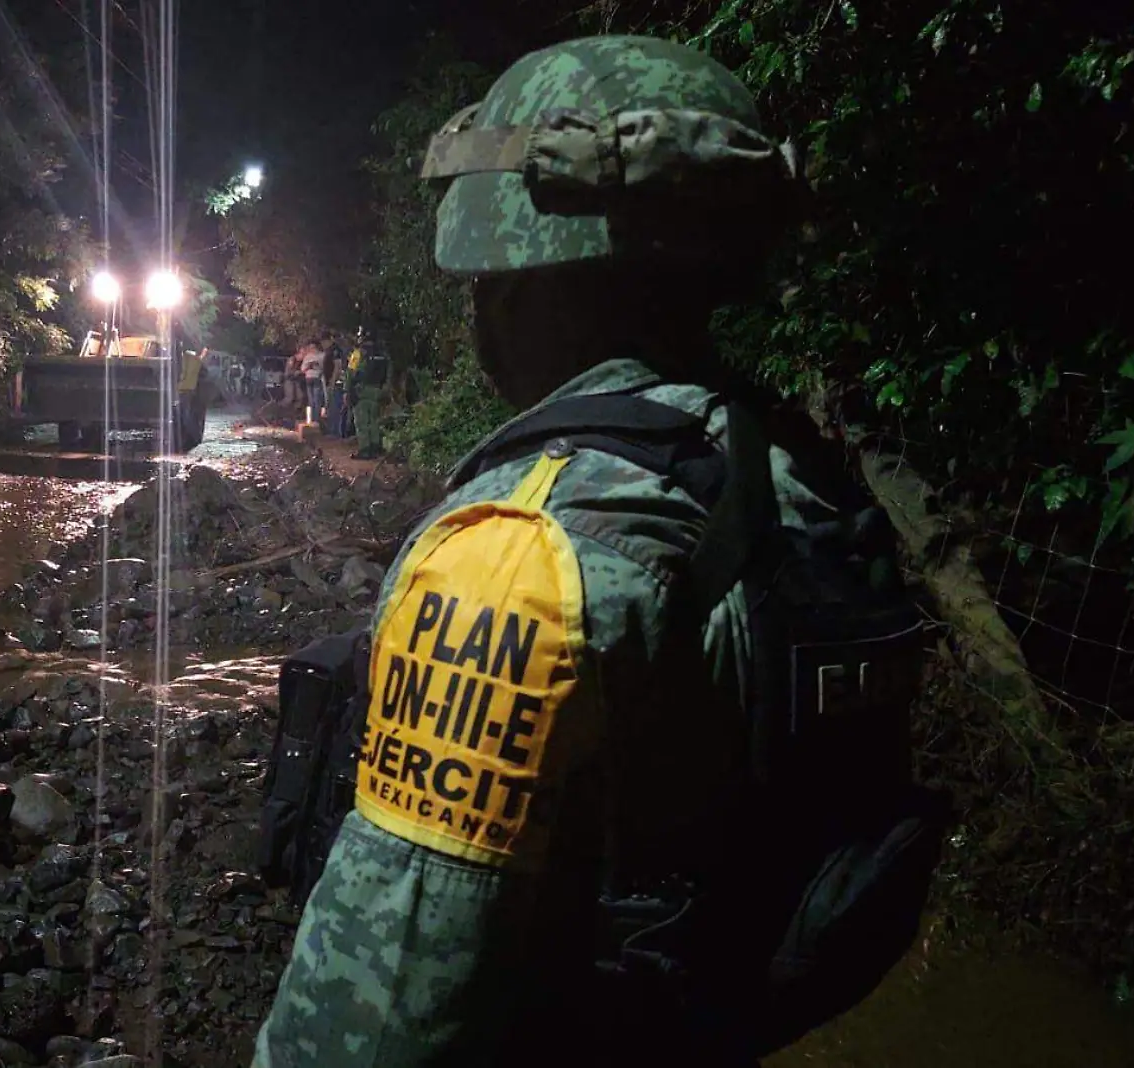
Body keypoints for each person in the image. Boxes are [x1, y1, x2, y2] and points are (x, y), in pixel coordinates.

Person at [253, 35, 936, 1068]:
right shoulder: (781, 473)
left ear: (522, 285)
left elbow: (375, 1009)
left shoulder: (518, 552)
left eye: (481, 280)